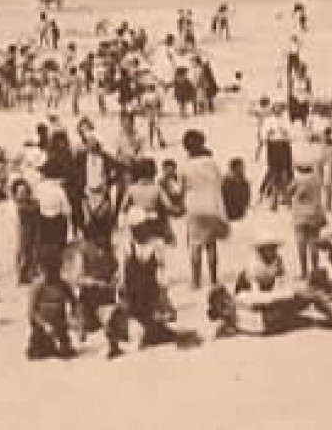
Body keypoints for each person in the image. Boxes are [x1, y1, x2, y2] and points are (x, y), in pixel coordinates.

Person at [107, 209, 183, 359]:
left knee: (151, 326)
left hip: (147, 294)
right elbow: (122, 272)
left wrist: (163, 294)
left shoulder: (154, 244)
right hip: (136, 294)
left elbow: (161, 271)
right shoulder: (130, 245)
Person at [180, 130, 229, 290]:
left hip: (193, 205)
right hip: (211, 204)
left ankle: (195, 281)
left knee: (195, 246)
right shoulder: (211, 162)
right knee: (211, 245)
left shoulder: (185, 166)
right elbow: (220, 182)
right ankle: (213, 279)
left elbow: (180, 188)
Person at [25, 256, 79, 361]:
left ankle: (59, 343)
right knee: (38, 353)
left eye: (55, 271)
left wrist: (75, 319)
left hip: (59, 323)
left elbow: (74, 302)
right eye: (49, 272)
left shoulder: (63, 284)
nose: (53, 275)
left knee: (65, 352)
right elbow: (31, 311)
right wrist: (45, 325)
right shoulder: (37, 286)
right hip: (42, 324)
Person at [289, 157, 328, 280]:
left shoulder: (298, 180)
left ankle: (304, 271)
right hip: (316, 213)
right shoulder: (317, 179)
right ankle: (315, 269)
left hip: (301, 214)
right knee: (314, 243)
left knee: (301, 243)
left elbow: (292, 192)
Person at [222, 157, 252, 222]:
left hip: (239, 216)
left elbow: (247, 198)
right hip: (229, 216)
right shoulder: (226, 182)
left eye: (242, 168)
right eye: (239, 168)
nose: (242, 170)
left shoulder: (245, 183)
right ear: (233, 169)